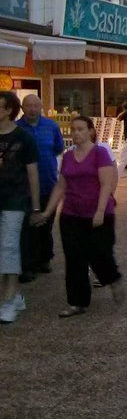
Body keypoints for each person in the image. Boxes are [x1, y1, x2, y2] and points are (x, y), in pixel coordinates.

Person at [38, 115, 122, 318]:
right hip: (71, 214)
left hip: (98, 213)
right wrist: (48, 211)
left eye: (80, 129)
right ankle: (77, 302)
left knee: (99, 253)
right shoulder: (68, 156)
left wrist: (100, 210)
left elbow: (106, 184)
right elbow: (61, 186)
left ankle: (112, 279)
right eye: (73, 129)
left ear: (90, 131)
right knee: (74, 258)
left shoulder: (100, 153)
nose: (76, 133)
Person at [0, 92, 41, 324]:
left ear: (8, 111)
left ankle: (8, 301)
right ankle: (14, 297)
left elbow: (32, 173)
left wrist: (35, 207)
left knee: (9, 247)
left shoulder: (24, 138)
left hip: (14, 199)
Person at [16, 94, 64, 280]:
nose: (32, 109)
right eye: (29, 106)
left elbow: (58, 148)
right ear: (22, 108)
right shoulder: (17, 128)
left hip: (48, 183)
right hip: (23, 186)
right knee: (26, 228)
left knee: (45, 224)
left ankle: (45, 258)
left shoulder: (51, 126)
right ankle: (28, 265)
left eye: (36, 105)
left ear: (41, 107)